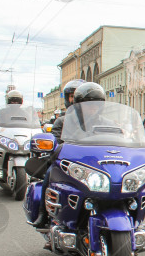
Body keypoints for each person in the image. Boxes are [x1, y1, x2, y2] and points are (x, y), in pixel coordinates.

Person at [32, 82, 105, 230]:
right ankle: (43, 213)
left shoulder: (106, 123)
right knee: (50, 173)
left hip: (97, 163)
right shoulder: (63, 121)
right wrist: (58, 149)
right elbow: (56, 142)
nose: (93, 108)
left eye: (96, 105)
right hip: (71, 162)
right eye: (89, 105)